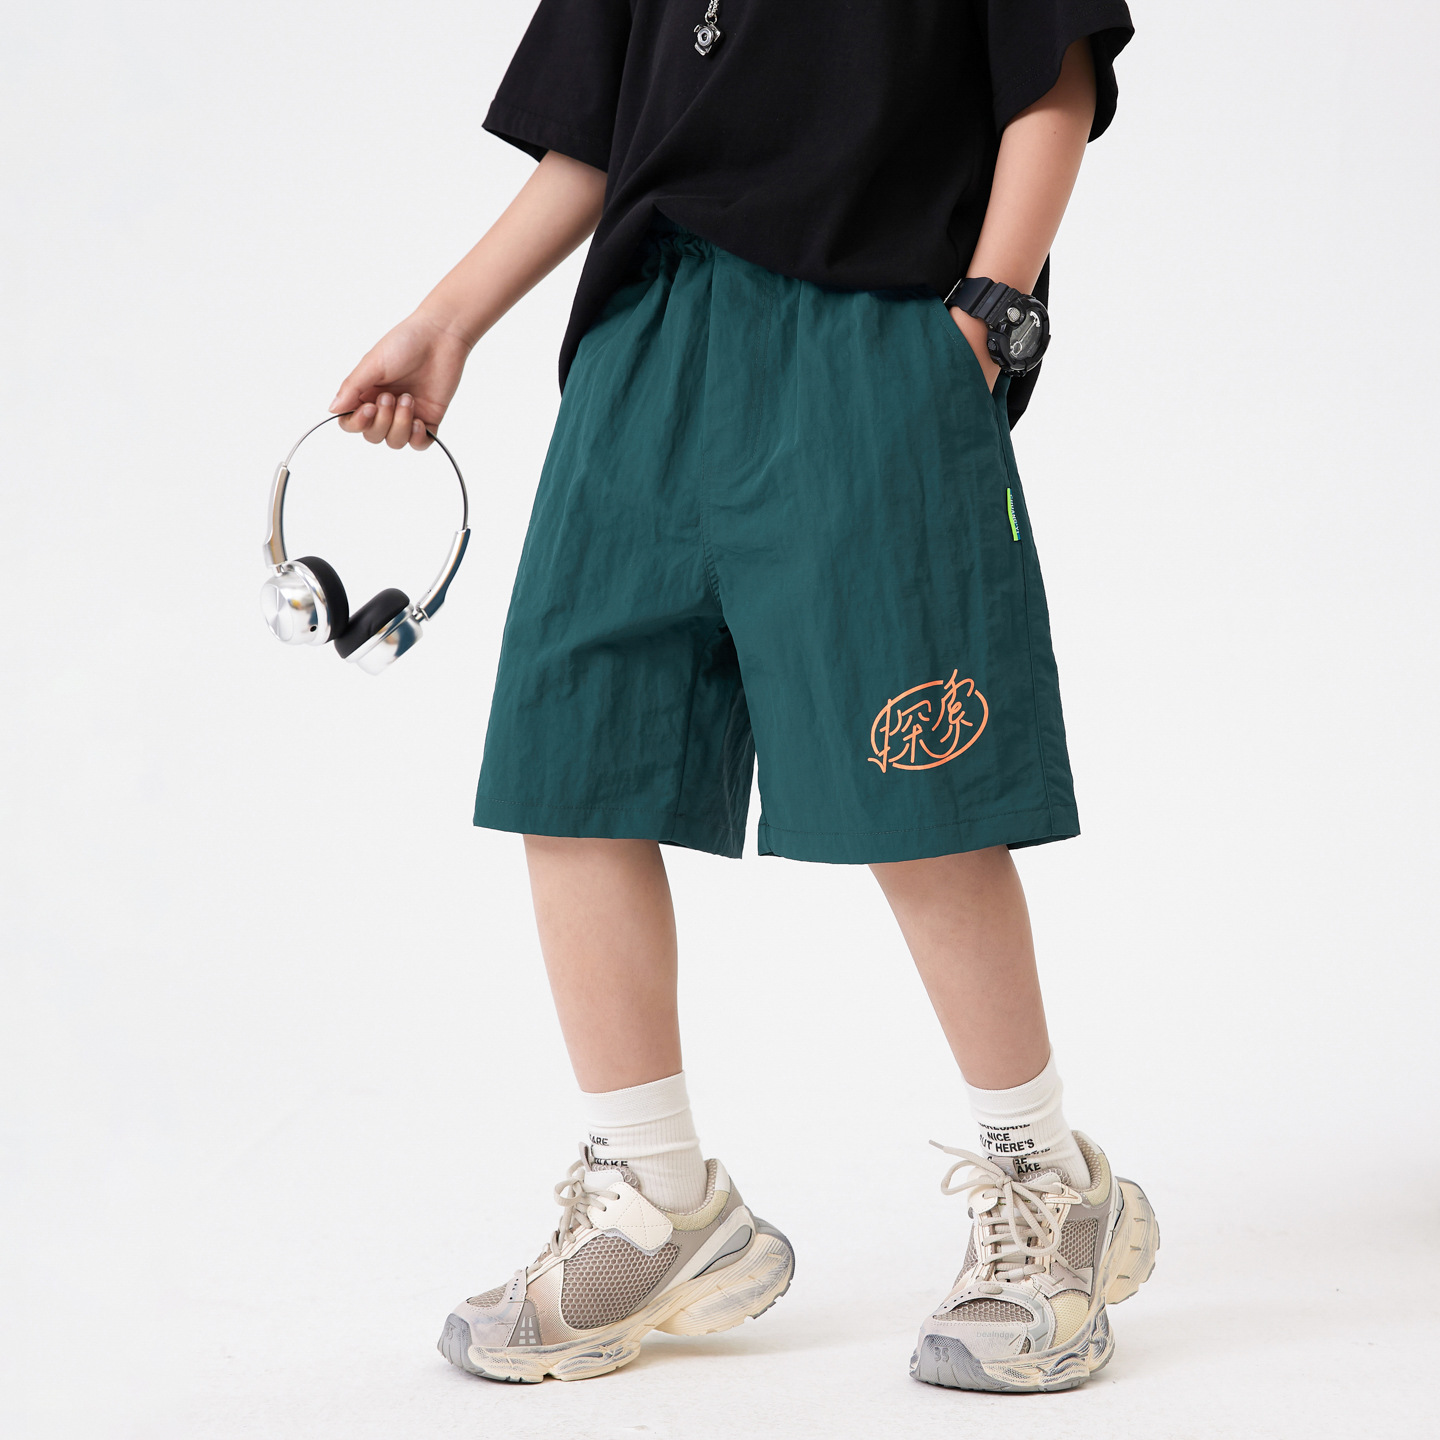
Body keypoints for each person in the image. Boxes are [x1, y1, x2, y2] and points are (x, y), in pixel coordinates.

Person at [328, 0, 1154, 1395]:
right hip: (646, 334)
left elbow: (1051, 78)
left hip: (872, 328)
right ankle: (656, 1200)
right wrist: (447, 319)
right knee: (573, 762)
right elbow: (597, 139)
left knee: (914, 784)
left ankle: (1048, 1184)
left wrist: (987, 316)